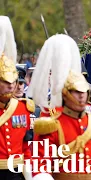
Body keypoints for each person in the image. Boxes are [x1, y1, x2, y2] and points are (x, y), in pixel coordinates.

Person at [27, 34, 91, 180]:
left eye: (84, 91)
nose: (82, 96)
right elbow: (40, 162)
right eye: (76, 92)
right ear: (66, 94)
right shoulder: (51, 124)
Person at [0, 16, 34, 180]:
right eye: (6, 82)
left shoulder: (24, 107)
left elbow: (26, 145)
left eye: (13, 82)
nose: (12, 86)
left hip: (16, 173)